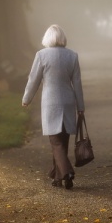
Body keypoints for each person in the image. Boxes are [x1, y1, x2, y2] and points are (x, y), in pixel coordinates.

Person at [22, 24, 85, 190]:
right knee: (63, 141)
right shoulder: (72, 55)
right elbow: (77, 83)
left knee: (55, 142)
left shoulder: (41, 55)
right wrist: (81, 106)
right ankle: (58, 178)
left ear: (47, 38)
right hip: (68, 101)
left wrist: (26, 98)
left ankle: (67, 172)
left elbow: (33, 79)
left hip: (51, 102)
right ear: (62, 38)